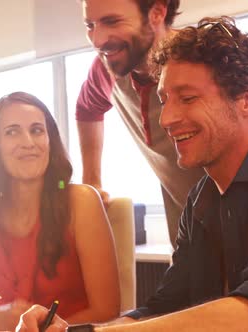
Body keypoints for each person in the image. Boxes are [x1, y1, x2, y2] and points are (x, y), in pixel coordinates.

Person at [16, 16, 248, 331]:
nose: (167, 119)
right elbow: (165, 308)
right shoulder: (201, 198)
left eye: (187, 98)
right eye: (163, 100)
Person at [0, 92, 120, 331]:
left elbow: (107, 311)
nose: (28, 142)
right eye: (12, 132)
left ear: (50, 141)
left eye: (37, 130)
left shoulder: (82, 202)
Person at [77, 0, 205, 247]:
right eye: (90, 25)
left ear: (157, 12)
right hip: (187, 236)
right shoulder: (106, 70)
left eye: (112, 21)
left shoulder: (205, 60)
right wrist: (91, 180)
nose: (97, 40)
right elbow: (87, 108)